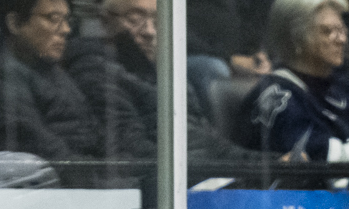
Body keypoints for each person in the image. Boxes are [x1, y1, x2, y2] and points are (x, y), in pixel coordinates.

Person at [64, 0, 259, 169]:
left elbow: (209, 142)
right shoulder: (95, 72)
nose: (149, 31)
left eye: (157, 21)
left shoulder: (168, 73)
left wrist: (267, 163)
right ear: (106, 21)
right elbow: (133, 151)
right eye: (135, 19)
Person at [0, 0, 113, 164]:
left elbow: (95, 136)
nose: (66, 29)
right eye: (53, 19)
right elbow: (51, 162)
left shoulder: (49, 69)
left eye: (67, 20)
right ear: (14, 24)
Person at [233, 0, 349, 160]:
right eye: (328, 31)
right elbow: (317, 152)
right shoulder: (276, 94)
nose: (341, 39)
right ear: (295, 38)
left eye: (341, 29)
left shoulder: (341, 89)